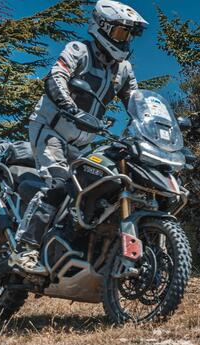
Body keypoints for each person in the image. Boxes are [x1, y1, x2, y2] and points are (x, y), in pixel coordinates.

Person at [10, 0, 148, 275]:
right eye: (121, 32)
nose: (125, 40)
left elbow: (136, 102)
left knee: (89, 191)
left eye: (129, 34)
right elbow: (56, 77)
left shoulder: (123, 70)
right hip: (51, 130)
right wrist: (70, 107)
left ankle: (68, 251)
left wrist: (154, 125)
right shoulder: (79, 50)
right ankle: (24, 249)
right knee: (58, 183)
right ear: (102, 27)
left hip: (82, 143)